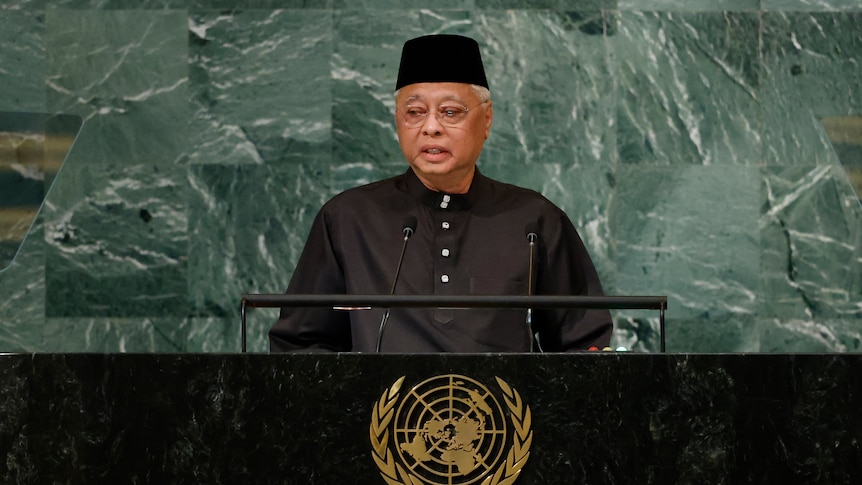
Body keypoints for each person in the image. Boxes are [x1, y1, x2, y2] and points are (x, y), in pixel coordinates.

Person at [269, 34, 612, 353]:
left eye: (450, 112)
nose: (431, 127)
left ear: (487, 119)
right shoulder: (347, 218)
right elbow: (300, 346)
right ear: (397, 121)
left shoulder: (535, 219)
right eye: (415, 112)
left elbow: (583, 348)